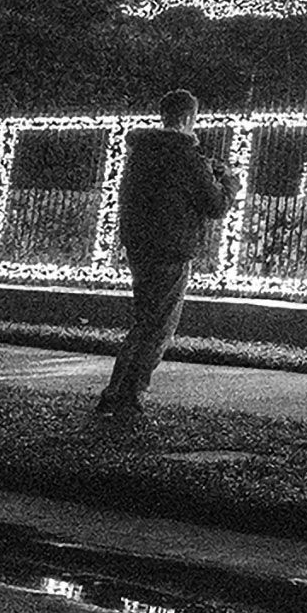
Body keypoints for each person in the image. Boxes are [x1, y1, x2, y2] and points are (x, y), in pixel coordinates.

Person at [96, 89, 238, 419]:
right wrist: (228, 183)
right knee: (158, 327)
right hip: (171, 249)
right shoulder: (185, 156)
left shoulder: (142, 152)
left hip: (140, 246)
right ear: (189, 118)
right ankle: (128, 395)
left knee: (144, 320)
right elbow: (214, 205)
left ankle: (116, 392)